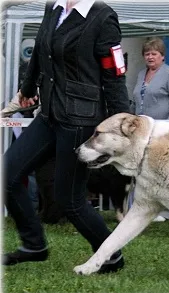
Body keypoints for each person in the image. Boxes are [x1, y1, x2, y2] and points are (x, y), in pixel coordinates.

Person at [3, 0, 130, 272]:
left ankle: (111, 256)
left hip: (80, 119)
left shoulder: (103, 16)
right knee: (7, 174)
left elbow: (115, 73)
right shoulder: (54, 6)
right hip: (49, 113)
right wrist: (27, 89)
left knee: (69, 199)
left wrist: (121, 122)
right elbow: (40, 49)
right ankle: (34, 245)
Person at [131, 37, 169, 222]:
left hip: (164, 132)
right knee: (144, 172)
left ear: (162, 56)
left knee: (163, 172)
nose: (150, 57)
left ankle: (165, 211)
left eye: (154, 53)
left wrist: (168, 128)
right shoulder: (141, 74)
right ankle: (142, 209)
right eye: (147, 54)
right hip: (142, 132)